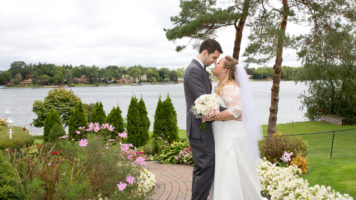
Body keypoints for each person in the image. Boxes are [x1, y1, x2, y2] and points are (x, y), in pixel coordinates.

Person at [204, 56, 265, 199]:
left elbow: (236, 110)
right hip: (222, 132)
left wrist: (212, 116)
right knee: (225, 168)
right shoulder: (222, 85)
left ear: (225, 69)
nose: (215, 63)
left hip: (230, 134)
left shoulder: (230, 86)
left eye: (218, 62)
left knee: (229, 168)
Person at [183, 38, 224, 200]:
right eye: (214, 58)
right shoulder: (194, 70)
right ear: (205, 52)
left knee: (202, 168)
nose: (215, 62)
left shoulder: (199, 69)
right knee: (206, 168)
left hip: (202, 129)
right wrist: (232, 112)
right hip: (199, 129)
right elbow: (205, 101)